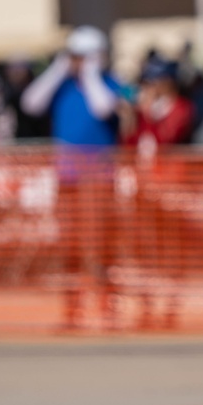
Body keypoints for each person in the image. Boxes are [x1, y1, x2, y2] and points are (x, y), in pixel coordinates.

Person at [21, 25, 127, 330]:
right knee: (68, 244)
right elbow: (31, 102)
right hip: (66, 179)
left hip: (100, 180)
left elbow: (102, 107)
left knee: (101, 244)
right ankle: (73, 310)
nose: (79, 62)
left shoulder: (109, 83)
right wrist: (58, 69)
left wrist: (91, 72)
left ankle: (107, 309)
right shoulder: (62, 86)